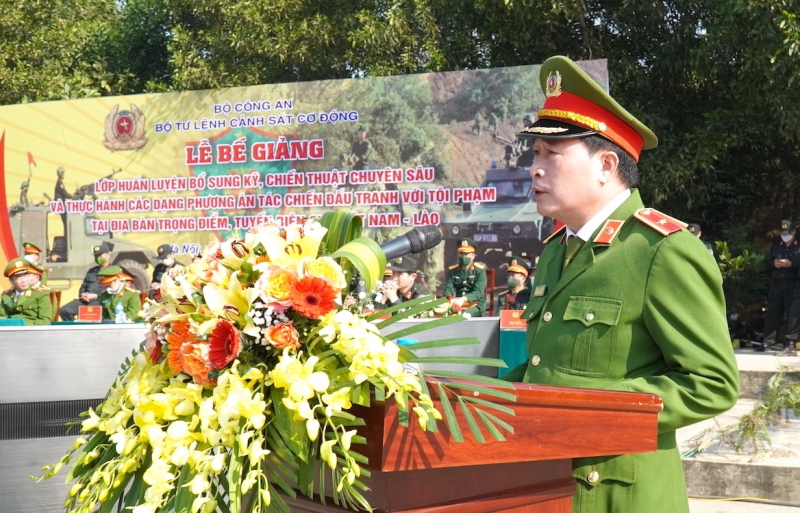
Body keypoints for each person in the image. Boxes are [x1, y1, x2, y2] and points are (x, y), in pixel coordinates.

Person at [502, 56, 738, 513]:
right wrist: (472, 397)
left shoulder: (661, 251)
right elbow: (543, 369)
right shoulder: (556, 251)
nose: (535, 167)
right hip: (547, 487)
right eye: (535, 154)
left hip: (617, 493)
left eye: (552, 154)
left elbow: (712, 382)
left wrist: (591, 411)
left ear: (606, 165)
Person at [761, 219, 799, 351]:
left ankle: (789, 343)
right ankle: (768, 341)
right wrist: (774, 264)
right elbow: (766, 263)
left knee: (792, 313)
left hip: (793, 283)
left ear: (793, 232)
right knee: (773, 312)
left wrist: (791, 264)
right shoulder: (776, 245)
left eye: (788, 232)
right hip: (777, 283)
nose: (785, 235)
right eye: (783, 232)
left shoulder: (798, 246)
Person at [59, 242, 113, 321]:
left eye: (100, 255)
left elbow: (112, 291)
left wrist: (95, 296)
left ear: (108, 255)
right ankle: (75, 330)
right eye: (96, 256)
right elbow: (83, 287)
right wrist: (83, 294)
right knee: (64, 310)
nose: (98, 258)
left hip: (101, 300)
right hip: (86, 300)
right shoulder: (92, 271)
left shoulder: (113, 271)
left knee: (88, 312)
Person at [0, 258, 52, 325]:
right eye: (18, 277)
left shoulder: (40, 294)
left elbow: (44, 321)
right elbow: (2, 317)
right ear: (11, 281)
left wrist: (22, 324)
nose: (23, 280)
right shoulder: (6, 296)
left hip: (31, 331)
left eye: (25, 275)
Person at [443, 238, 486, 317]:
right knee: (443, 314)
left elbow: (478, 292)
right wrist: (449, 299)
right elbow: (448, 289)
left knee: (463, 315)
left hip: (475, 304)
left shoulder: (480, 271)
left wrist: (463, 299)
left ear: (473, 256)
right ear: (458, 254)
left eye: (466, 254)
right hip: (457, 302)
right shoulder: (453, 271)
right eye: (461, 253)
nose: (463, 256)